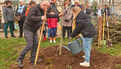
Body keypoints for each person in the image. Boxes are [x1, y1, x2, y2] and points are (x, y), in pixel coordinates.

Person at [18, 1, 50, 68]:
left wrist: (57, 15)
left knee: (35, 44)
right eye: (47, 7)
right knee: (29, 45)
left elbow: (47, 16)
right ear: (43, 5)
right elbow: (29, 17)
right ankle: (20, 59)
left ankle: (33, 59)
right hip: (28, 29)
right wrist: (40, 18)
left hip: (34, 30)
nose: (47, 9)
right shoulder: (34, 8)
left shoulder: (42, 10)